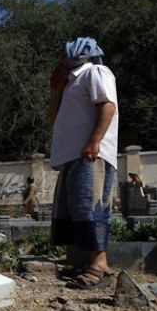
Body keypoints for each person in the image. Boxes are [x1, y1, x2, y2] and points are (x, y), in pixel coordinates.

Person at [49, 37, 119, 289]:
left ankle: (99, 264)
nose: (60, 60)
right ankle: (81, 261)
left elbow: (107, 105)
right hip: (73, 156)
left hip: (90, 154)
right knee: (75, 209)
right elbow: (55, 121)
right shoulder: (71, 84)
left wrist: (94, 141)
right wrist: (56, 90)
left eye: (63, 56)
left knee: (92, 207)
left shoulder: (95, 72)